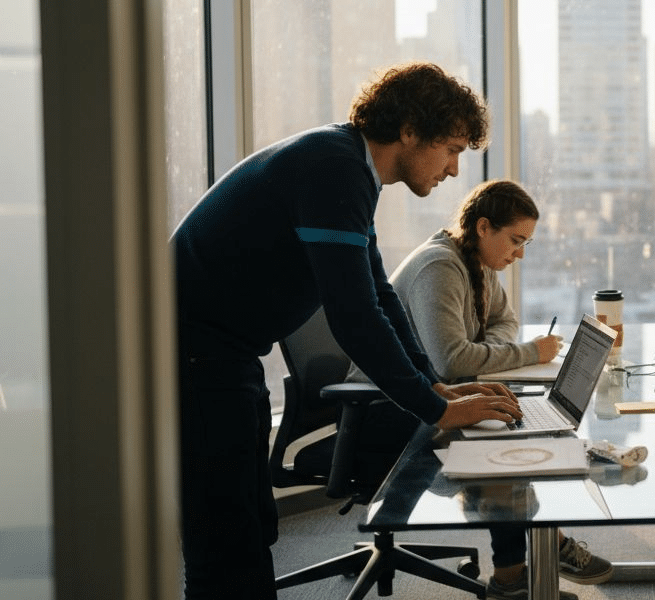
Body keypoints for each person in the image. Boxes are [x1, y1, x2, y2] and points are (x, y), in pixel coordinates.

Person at [172, 62, 523, 600]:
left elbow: (379, 293)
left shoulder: (349, 169)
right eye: (451, 148)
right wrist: (436, 410)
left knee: (251, 526)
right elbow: (354, 316)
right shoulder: (332, 170)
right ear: (409, 130)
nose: (454, 169)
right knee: (225, 535)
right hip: (193, 355)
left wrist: (434, 385)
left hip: (224, 354)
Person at [348, 179, 612, 599]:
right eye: (516, 240)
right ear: (484, 227)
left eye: (526, 242)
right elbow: (453, 360)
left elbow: (502, 321)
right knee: (497, 440)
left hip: (432, 396)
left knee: (509, 421)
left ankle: (523, 566)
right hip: (385, 411)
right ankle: (523, 568)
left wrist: (485, 350)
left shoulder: (480, 263)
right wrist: (526, 351)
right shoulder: (441, 267)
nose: (520, 252)